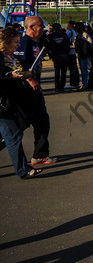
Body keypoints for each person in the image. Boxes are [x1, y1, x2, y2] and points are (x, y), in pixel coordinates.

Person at [0, 27, 43, 178]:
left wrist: (28, 74)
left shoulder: (11, 56)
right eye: (15, 42)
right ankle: (22, 170)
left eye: (19, 41)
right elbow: (4, 75)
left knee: (9, 136)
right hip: (2, 103)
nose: (18, 44)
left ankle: (22, 168)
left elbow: (17, 74)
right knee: (13, 135)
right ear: (5, 42)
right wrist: (10, 75)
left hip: (12, 102)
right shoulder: (0, 57)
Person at [13, 16, 55, 166]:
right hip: (26, 91)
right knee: (18, 126)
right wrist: (30, 80)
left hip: (34, 90)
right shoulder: (24, 42)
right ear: (31, 27)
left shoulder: (34, 43)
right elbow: (17, 64)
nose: (43, 29)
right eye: (40, 26)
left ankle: (40, 155)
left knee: (41, 121)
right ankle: (39, 155)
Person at [45, 23, 71, 93]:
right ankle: (62, 86)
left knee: (57, 72)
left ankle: (57, 86)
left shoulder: (51, 36)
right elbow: (68, 45)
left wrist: (51, 55)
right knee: (63, 72)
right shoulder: (64, 35)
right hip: (64, 56)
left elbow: (49, 46)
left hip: (56, 56)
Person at [64, 21, 80, 89]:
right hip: (73, 52)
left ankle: (73, 83)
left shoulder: (70, 32)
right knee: (74, 68)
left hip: (70, 52)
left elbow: (67, 40)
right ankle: (75, 82)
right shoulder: (75, 32)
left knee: (72, 68)